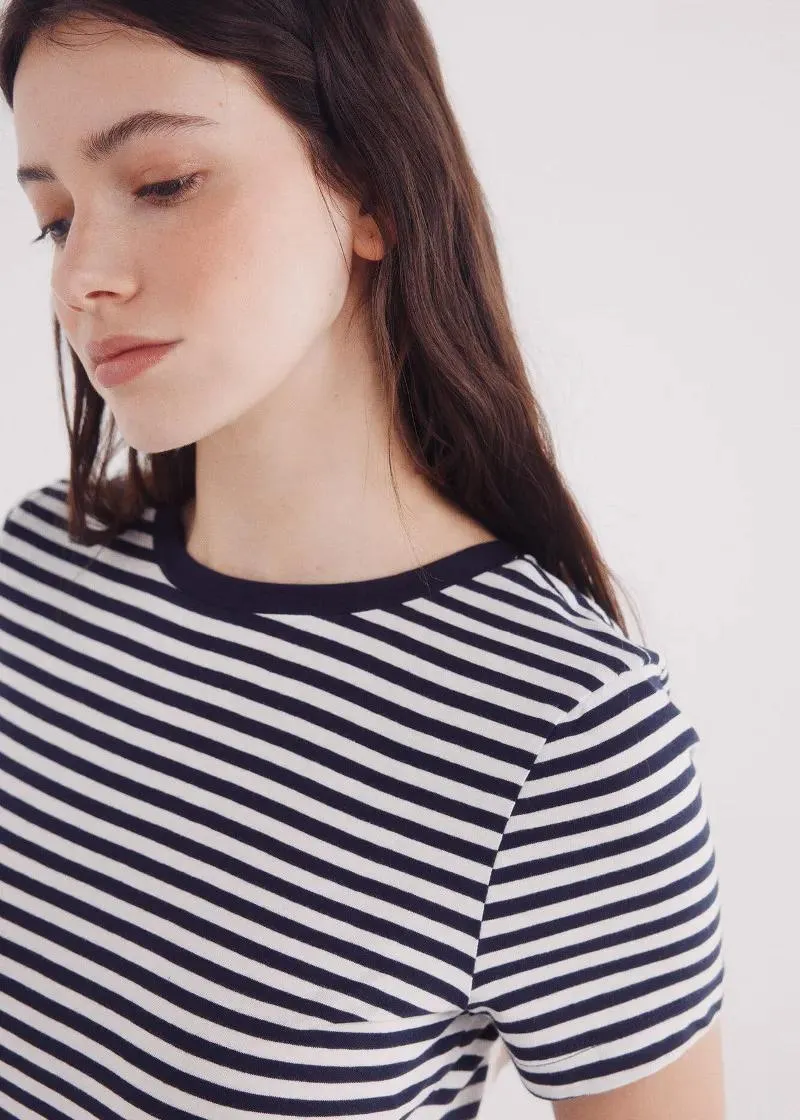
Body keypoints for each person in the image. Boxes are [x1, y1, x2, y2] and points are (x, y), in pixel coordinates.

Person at [0, 2, 726, 1118]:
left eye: (162, 183)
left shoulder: (561, 734)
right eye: (55, 220)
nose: (78, 279)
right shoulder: (37, 564)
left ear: (371, 190)